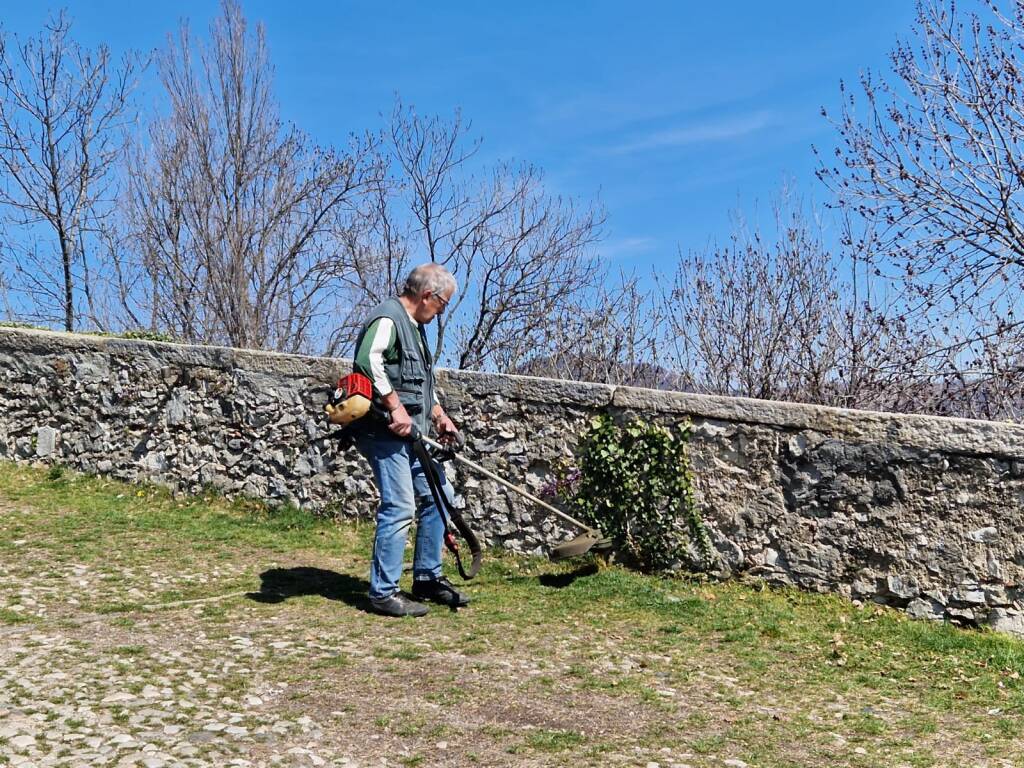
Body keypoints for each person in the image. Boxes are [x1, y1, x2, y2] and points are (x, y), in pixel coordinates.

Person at [350, 263, 469, 617]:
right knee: (400, 506)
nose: (442, 310)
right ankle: (383, 593)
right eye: (443, 304)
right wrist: (395, 408)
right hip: (383, 431)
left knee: (439, 495)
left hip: (413, 434)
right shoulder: (388, 318)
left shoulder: (417, 329)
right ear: (427, 296)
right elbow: (367, 362)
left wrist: (440, 417)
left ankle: (427, 578)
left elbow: (418, 384)